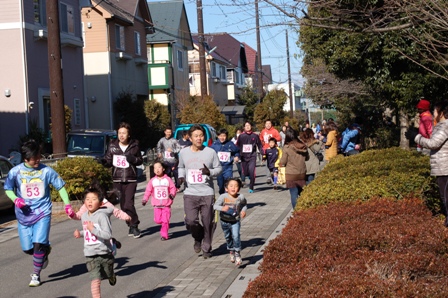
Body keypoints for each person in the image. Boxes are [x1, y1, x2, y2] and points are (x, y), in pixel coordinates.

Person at [4, 139, 75, 287]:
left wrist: (67, 205)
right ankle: (45, 250)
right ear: (25, 158)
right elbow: (8, 188)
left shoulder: (46, 171)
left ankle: (36, 275)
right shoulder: (15, 172)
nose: (38, 160)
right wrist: (15, 199)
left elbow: (60, 187)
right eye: (34, 158)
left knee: (38, 245)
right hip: (23, 216)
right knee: (28, 249)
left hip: (42, 212)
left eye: (39, 156)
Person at [178, 124, 222, 259]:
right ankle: (198, 236)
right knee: (190, 221)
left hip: (207, 193)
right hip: (190, 193)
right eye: (196, 136)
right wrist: (181, 176)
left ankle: (206, 247)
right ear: (190, 138)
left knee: (208, 222)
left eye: (201, 135)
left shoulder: (210, 152)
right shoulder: (184, 152)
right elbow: (181, 166)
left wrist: (210, 172)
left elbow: (219, 168)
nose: (199, 138)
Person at [406, 101, 448, 227]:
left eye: (435, 111)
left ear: (442, 113)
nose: (432, 113)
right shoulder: (442, 125)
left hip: (445, 167)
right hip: (442, 166)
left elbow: (433, 143)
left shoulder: (445, 126)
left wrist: (416, 137)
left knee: (446, 196)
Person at [74, 184, 116, 298]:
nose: (90, 202)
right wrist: (80, 234)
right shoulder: (84, 216)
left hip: (104, 253)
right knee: (95, 280)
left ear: (101, 203)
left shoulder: (102, 216)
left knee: (107, 273)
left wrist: (93, 229)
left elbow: (107, 235)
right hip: (90, 254)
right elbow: (87, 232)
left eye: (93, 199)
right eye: (87, 199)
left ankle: (111, 275)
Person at [103, 122, 143, 238]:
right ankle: (129, 224)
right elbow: (108, 160)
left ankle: (134, 225)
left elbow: (140, 160)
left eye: (124, 133)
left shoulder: (134, 145)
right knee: (123, 206)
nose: (121, 135)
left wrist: (132, 159)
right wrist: (103, 162)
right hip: (117, 179)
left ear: (128, 134)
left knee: (129, 204)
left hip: (130, 178)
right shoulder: (112, 145)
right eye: (119, 133)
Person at [73, 180, 129, 256]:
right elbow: (79, 214)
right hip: (91, 229)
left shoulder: (106, 203)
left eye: (94, 197)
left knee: (106, 244)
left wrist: (125, 216)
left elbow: (116, 211)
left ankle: (113, 244)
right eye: (88, 197)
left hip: (103, 228)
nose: (90, 200)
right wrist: (72, 215)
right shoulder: (87, 204)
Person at [213, 178, 247, 266]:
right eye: (231, 186)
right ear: (226, 188)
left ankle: (237, 253)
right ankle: (231, 250)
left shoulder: (241, 197)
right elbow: (215, 206)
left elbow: (244, 205)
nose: (233, 188)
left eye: (236, 186)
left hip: (235, 220)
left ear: (239, 188)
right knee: (228, 237)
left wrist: (243, 211)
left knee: (236, 236)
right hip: (224, 221)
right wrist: (222, 208)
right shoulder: (223, 197)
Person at [142, 161, 176, 241]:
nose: (157, 169)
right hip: (156, 205)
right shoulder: (152, 181)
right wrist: (145, 199)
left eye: (159, 167)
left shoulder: (168, 179)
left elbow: (172, 188)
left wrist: (172, 194)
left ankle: (164, 234)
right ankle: (163, 225)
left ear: (163, 169)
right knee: (157, 220)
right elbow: (148, 191)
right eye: (155, 168)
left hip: (166, 204)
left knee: (165, 220)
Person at [279, 128, 308, 209]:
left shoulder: (287, 147)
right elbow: (307, 157)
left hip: (291, 175)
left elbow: (283, 161)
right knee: (303, 193)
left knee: (294, 194)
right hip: (302, 173)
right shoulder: (302, 145)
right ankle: (304, 209)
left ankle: (296, 212)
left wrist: (280, 164)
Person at [211, 129, 240, 194]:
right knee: (220, 184)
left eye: (224, 136)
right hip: (218, 167)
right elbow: (210, 153)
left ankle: (227, 197)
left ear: (226, 136)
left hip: (228, 167)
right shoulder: (214, 145)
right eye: (220, 136)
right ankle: (222, 193)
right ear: (218, 136)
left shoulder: (230, 144)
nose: (222, 138)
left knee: (228, 182)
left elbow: (236, 151)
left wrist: (236, 156)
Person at [236, 121, 263, 193]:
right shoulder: (241, 136)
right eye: (246, 125)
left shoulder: (255, 136)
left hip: (252, 156)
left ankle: (251, 187)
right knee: (245, 172)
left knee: (252, 172)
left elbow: (259, 145)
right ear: (244, 127)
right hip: (243, 157)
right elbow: (237, 146)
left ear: (251, 126)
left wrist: (263, 154)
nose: (247, 126)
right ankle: (247, 174)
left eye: (249, 125)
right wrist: (237, 155)